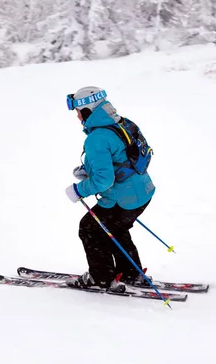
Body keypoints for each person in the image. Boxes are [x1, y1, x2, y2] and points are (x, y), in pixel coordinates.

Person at [64, 86, 155, 292]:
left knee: (90, 228)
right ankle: (132, 274)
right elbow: (123, 159)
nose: (77, 116)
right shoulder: (121, 123)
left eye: (78, 111)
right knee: (114, 228)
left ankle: (101, 277)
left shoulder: (96, 138)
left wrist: (79, 190)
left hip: (122, 199)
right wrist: (88, 170)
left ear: (87, 110)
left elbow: (104, 181)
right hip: (142, 192)